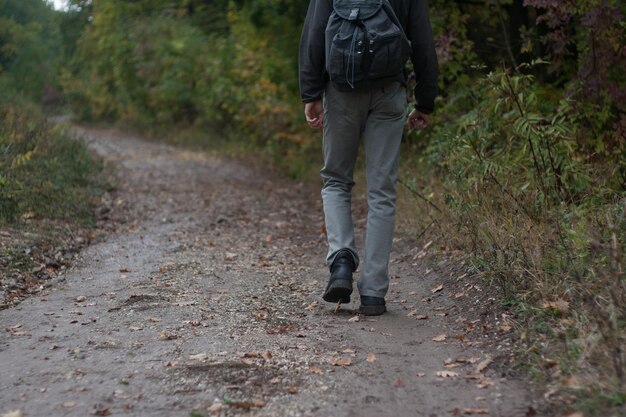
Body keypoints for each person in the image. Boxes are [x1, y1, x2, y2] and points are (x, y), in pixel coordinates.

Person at [299, 0, 438, 315]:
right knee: (382, 192)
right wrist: (426, 100)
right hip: (390, 90)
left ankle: (342, 261)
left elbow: (314, 34)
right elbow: (423, 42)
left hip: (341, 91)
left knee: (335, 180)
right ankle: (374, 293)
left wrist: (310, 93)